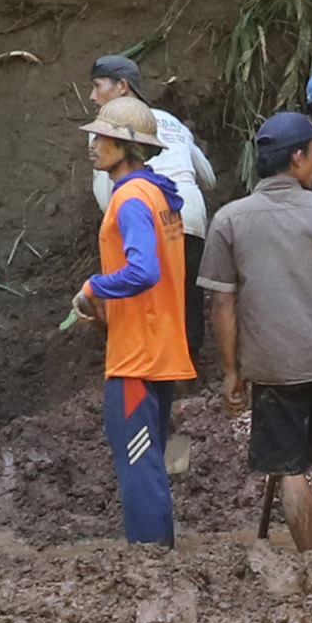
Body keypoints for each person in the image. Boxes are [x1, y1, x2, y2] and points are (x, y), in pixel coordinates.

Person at [204, 112, 312, 550]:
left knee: (290, 468)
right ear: (296, 157)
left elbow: (222, 303)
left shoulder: (230, 220)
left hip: (272, 367)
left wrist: (231, 372)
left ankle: (310, 561)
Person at [88, 55, 221, 472]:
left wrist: (116, 226)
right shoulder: (171, 123)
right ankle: (185, 384)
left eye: (99, 86)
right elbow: (209, 176)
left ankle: (156, 388)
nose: (93, 97)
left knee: (148, 294)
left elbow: (104, 194)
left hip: (141, 210)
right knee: (182, 299)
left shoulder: (113, 128)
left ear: (122, 88)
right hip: (185, 210)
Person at [73, 96, 192, 545]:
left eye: (103, 136)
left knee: (139, 466)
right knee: (151, 461)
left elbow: (144, 271)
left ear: (128, 147)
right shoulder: (159, 193)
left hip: (137, 357)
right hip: (159, 347)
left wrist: (93, 287)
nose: (92, 143)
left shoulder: (129, 198)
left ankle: (150, 565)